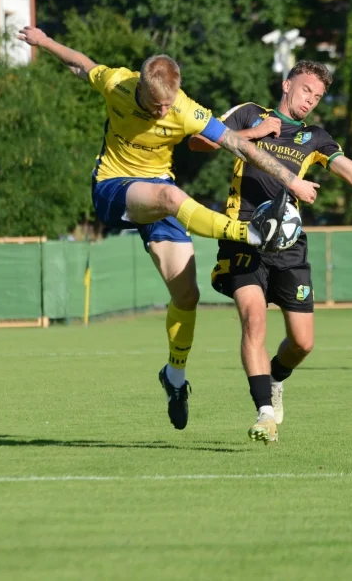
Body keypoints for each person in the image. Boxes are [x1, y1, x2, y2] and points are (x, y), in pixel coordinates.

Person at [17, 26, 318, 431]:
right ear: (141, 88)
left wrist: (292, 180)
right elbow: (80, 64)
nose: (164, 112)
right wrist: (43, 41)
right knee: (174, 198)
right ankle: (247, 234)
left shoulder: (184, 108)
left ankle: (175, 377)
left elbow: (238, 145)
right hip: (114, 187)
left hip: (158, 191)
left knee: (187, 294)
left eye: (169, 104)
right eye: (158, 105)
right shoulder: (118, 83)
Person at [190, 60, 352, 442]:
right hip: (242, 233)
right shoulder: (250, 113)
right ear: (286, 84)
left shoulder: (315, 137)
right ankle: (264, 412)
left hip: (289, 245)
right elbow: (198, 141)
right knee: (254, 319)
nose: (311, 100)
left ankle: (276, 378)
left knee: (303, 342)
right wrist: (255, 132)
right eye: (306, 90)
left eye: (318, 95)